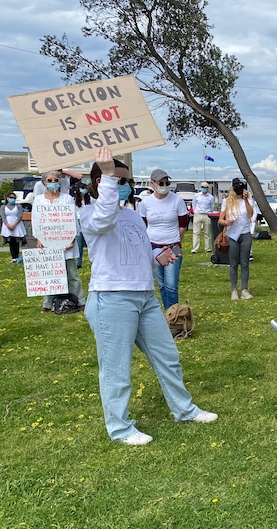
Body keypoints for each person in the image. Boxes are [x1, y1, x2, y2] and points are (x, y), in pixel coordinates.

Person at [83, 147, 217, 445]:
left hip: (143, 295)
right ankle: (119, 428)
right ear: (98, 183)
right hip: (111, 298)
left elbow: (138, 252)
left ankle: (184, 409)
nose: (124, 186)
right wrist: (107, 175)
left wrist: (158, 256)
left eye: (125, 180)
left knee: (167, 355)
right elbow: (104, 220)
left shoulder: (131, 216)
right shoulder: (90, 214)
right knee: (117, 367)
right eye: (115, 180)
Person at [34, 171, 86, 313]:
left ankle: (81, 301)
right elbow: (37, 220)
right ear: (44, 182)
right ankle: (48, 303)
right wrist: (39, 238)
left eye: (55, 180)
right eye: (49, 180)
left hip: (67, 242)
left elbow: (72, 219)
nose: (53, 182)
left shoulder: (67, 199)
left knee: (72, 274)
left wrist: (72, 238)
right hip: (48, 242)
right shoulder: (39, 200)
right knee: (52, 273)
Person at [138, 168, 188, 309]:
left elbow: (183, 225)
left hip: (173, 245)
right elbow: (143, 226)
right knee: (161, 285)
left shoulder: (177, 200)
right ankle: (169, 314)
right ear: (153, 183)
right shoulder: (146, 203)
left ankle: (174, 317)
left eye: (167, 182)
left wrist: (176, 243)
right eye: (161, 183)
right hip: (153, 247)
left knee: (171, 285)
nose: (164, 185)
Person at [219, 178, 255, 300]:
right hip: (232, 234)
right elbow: (220, 220)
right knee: (233, 263)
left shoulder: (249, 199)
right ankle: (234, 290)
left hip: (245, 232)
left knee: (245, 263)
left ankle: (244, 289)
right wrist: (226, 222)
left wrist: (245, 200)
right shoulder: (227, 201)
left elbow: (250, 214)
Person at [71, 180, 95, 268]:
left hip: (88, 221)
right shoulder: (74, 200)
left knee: (90, 243)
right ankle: (79, 262)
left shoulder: (91, 200)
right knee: (79, 243)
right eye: (82, 188)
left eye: (85, 188)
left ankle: (93, 260)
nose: (84, 190)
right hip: (78, 221)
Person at [0, 192, 26, 263]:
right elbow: (3, 217)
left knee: (16, 240)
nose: (13, 199)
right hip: (7, 225)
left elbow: (20, 216)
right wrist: (8, 225)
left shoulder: (18, 206)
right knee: (11, 241)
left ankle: (16, 257)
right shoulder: (3, 207)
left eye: (14, 198)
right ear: (7, 198)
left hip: (17, 224)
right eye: (11, 198)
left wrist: (14, 224)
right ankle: (13, 257)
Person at [191, 181, 215, 254]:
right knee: (196, 232)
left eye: (205, 187)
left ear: (208, 188)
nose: (203, 188)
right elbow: (194, 204)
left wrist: (209, 213)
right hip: (198, 214)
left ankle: (207, 248)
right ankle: (195, 249)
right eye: (202, 187)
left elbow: (212, 207)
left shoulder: (211, 197)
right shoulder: (197, 195)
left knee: (207, 233)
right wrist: (195, 212)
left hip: (207, 215)